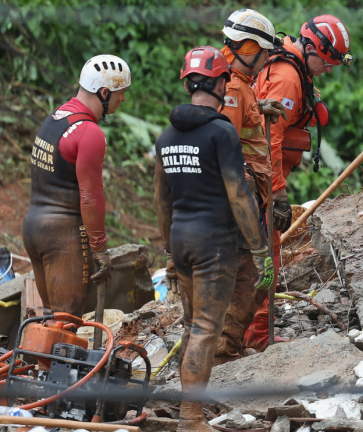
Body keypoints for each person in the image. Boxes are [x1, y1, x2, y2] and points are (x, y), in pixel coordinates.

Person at [153, 46, 269, 432]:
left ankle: (188, 408)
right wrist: (259, 245)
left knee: (191, 327)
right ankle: (191, 418)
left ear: (188, 83)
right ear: (220, 82)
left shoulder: (166, 137)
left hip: (182, 240)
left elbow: (161, 199)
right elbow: (239, 194)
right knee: (206, 330)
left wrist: (170, 251)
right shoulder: (222, 131)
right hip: (214, 244)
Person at [245, 14, 353, 350]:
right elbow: (270, 138)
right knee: (267, 257)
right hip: (256, 180)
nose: (330, 68)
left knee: (259, 257)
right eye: (328, 61)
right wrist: (276, 192)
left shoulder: (290, 68)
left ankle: (249, 332)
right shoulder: (288, 77)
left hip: (253, 176)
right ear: (310, 48)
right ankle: (259, 338)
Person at [23, 54, 130, 316]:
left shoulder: (55, 119)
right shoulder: (89, 132)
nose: (123, 99)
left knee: (51, 318)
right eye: (120, 93)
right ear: (104, 92)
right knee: (65, 324)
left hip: (34, 228)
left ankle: (40, 359)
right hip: (63, 236)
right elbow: (90, 196)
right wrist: (100, 248)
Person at [210, 8, 287, 366]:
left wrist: (260, 107)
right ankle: (225, 351)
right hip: (240, 201)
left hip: (248, 197)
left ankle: (229, 346)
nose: (268, 60)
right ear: (247, 46)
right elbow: (227, 149)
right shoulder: (233, 90)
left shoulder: (240, 85)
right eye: (265, 52)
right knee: (253, 275)